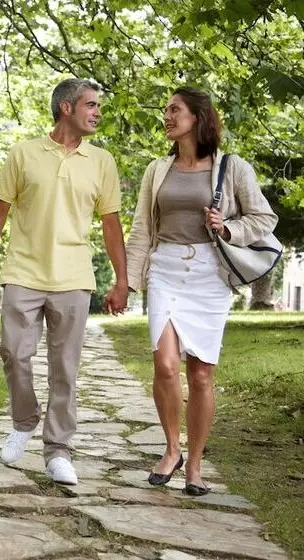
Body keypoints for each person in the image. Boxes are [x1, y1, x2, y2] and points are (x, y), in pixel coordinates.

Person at [0, 78, 128, 485]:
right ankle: (24, 421)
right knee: (14, 353)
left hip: (74, 277)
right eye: (91, 105)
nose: (98, 113)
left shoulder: (102, 162)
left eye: (99, 106)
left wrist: (121, 279)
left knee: (65, 370)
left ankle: (58, 450)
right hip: (23, 272)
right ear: (66, 108)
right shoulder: (24, 154)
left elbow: (111, 225)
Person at [126, 87, 278, 495]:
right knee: (165, 364)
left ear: (197, 117)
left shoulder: (233, 168)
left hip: (209, 275)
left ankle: (194, 465)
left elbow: (264, 218)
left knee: (202, 373)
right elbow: (142, 228)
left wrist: (229, 228)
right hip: (165, 269)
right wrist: (127, 280)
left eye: (174, 109)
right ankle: (172, 449)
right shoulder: (157, 169)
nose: (167, 115)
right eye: (166, 109)